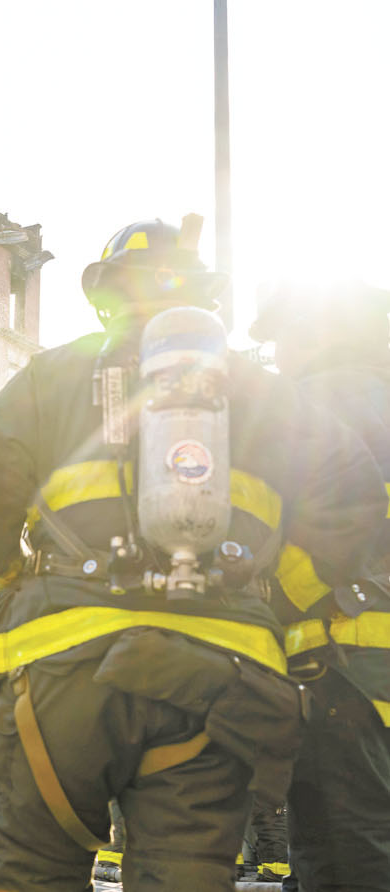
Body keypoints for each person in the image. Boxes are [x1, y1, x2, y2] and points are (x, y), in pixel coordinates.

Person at [0, 218, 386, 891]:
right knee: (187, 876)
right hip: (218, 674)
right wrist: (276, 584)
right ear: (203, 295)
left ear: (106, 292)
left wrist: (19, 577)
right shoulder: (264, 391)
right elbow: (351, 493)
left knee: (31, 868)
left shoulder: (54, 373)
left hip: (63, 666)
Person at [250, 281, 390, 892]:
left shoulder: (307, 407)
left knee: (343, 841)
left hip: (339, 659)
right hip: (362, 658)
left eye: (282, 340)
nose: (278, 357)